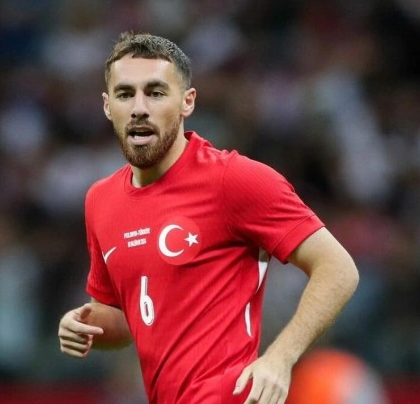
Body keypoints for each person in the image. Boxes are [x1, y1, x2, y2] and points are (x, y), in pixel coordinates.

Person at [57, 32, 359, 404]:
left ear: (187, 102)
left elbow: (338, 268)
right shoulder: (100, 201)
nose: (139, 108)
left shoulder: (234, 180)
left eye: (155, 93)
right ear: (107, 106)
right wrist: (85, 324)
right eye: (125, 94)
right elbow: (125, 320)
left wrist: (281, 358)